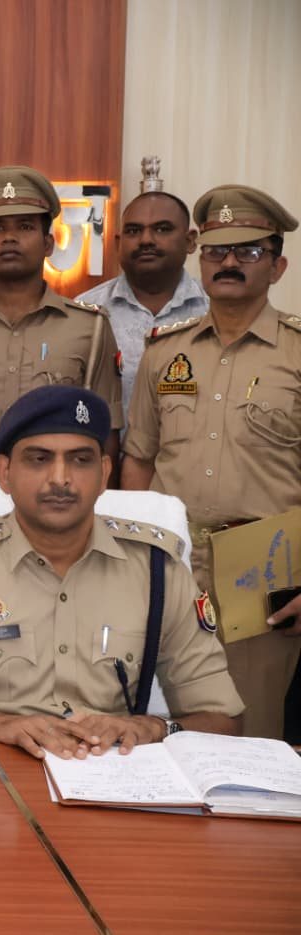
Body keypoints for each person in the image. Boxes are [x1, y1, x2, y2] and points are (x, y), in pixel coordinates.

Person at [0, 386, 243, 758]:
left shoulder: (157, 569)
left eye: (80, 460)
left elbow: (224, 719)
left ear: (104, 473)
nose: (60, 478)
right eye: (39, 459)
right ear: (4, 472)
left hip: (112, 776)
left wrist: (154, 728)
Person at [122, 183, 300, 740]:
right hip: (171, 564)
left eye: (248, 251)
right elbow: (139, 461)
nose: (229, 263)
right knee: (155, 727)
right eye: (217, 251)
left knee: (252, 734)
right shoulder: (164, 350)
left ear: (278, 266)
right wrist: (128, 557)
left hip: (264, 573)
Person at [0, 166, 123, 485]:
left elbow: (105, 432)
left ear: (48, 243)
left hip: (55, 500)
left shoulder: (89, 328)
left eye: (24, 226)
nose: (9, 238)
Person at [76, 189, 207, 419]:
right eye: (134, 231)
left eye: (162, 229)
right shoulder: (85, 312)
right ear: (118, 243)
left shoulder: (214, 309)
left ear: (190, 241)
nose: (146, 240)